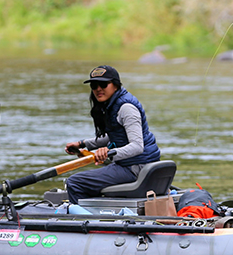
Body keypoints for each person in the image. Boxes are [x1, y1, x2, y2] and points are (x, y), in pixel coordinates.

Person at [63, 65, 162, 204]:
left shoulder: (126, 108)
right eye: (94, 85)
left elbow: (137, 146)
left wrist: (109, 152)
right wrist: (82, 144)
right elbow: (115, 135)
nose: (98, 89)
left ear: (115, 86)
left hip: (137, 167)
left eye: (103, 84)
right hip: (132, 164)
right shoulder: (112, 105)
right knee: (89, 177)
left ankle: (85, 221)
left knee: (74, 182)